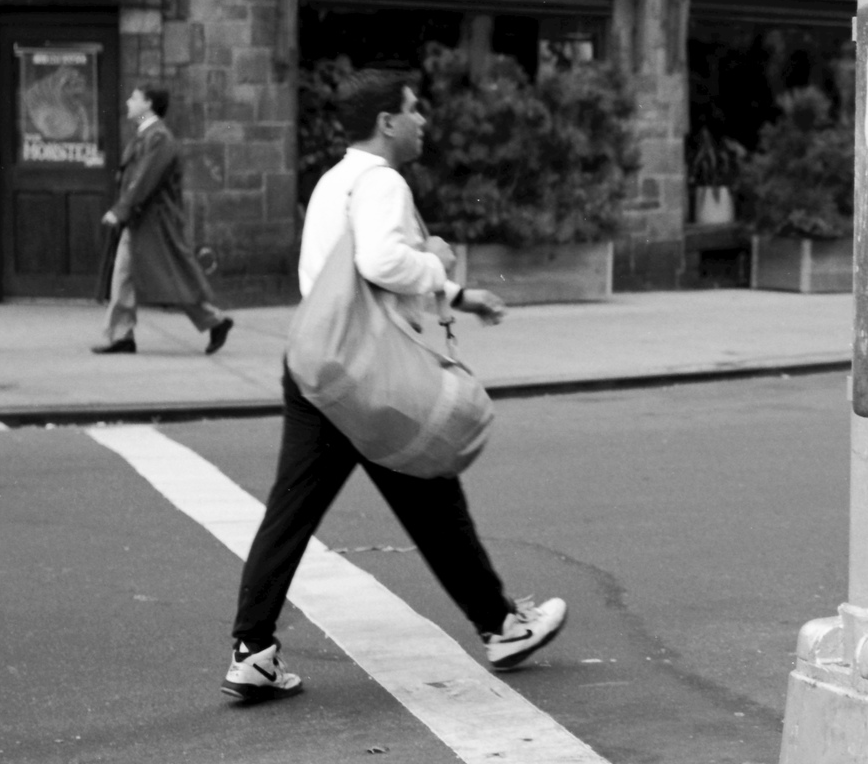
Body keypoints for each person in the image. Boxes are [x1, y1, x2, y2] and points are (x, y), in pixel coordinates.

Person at [223, 67, 565, 702]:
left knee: (291, 511)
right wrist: (438, 264)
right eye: (414, 110)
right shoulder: (383, 181)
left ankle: (253, 651)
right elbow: (379, 261)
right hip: (369, 378)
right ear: (387, 122)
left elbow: (342, 277)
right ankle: (501, 627)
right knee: (433, 495)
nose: (422, 120)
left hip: (316, 364)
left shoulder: (334, 181)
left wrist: (457, 294)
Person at [93, 86, 232, 356]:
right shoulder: (147, 135)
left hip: (155, 222)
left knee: (171, 276)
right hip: (141, 220)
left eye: (134, 98)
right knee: (123, 276)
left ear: (148, 104)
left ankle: (215, 321)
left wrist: (120, 210)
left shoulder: (159, 138)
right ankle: (122, 335)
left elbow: (144, 179)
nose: (128, 102)